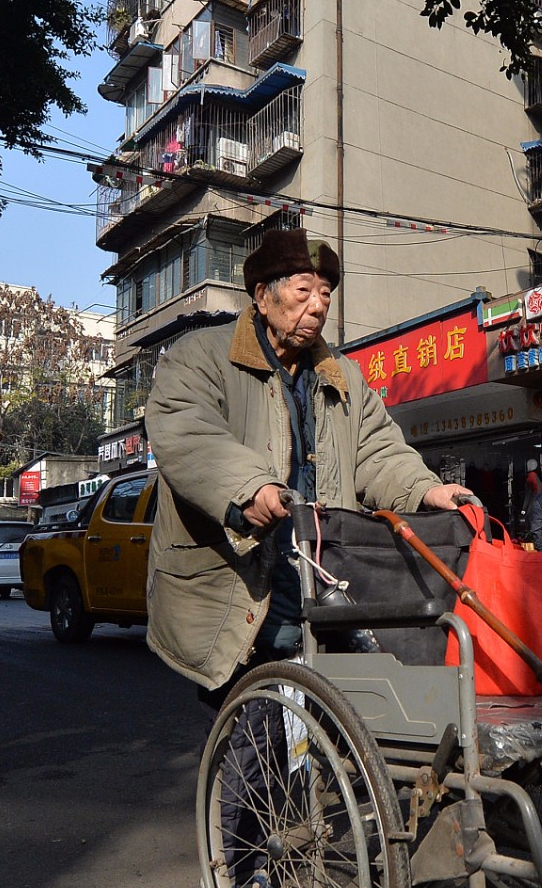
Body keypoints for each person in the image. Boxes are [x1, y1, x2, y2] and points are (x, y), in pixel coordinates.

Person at [144, 227, 470, 699]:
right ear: (263, 296)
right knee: (257, 745)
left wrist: (426, 489)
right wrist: (251, 489)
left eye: (325, 294)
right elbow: (189, 434)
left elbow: (377, 451)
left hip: (325, 584)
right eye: (303, 292)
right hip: (241, 590)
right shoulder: (198, 357)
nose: (318, 305)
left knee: (339, 738)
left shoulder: (344, 375)